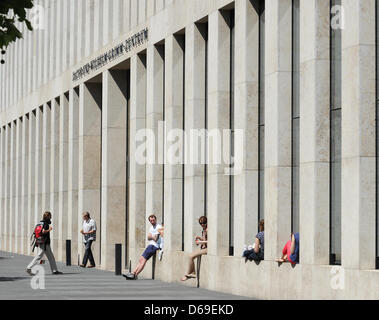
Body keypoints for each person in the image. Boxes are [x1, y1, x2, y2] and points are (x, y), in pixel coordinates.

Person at [124, 214, 162, 280]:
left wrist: (152, 237)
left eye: (153, 220)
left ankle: (135, 274)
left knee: (143, 260)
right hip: (151, 245)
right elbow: (148, 237)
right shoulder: (151, 227)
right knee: (141, 259)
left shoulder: (158, 227)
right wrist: (152, 237)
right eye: (151, 220)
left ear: (155, 219)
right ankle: (133, 273)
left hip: (154, 246)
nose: (152, 221)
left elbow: (156, 239)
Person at [181, 216, 208, 281]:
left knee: (191, 256)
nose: (202, 224)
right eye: (201, 223)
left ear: (206, 222)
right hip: (204, 248)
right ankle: (191, 273)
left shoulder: (207, 230)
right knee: (190, 256)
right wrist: (200, 239)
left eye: (204, 223)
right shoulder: (204, 230)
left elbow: (210, 242)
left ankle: (191, 273)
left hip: (208, 249)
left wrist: (200, 242)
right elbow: (205, 240)